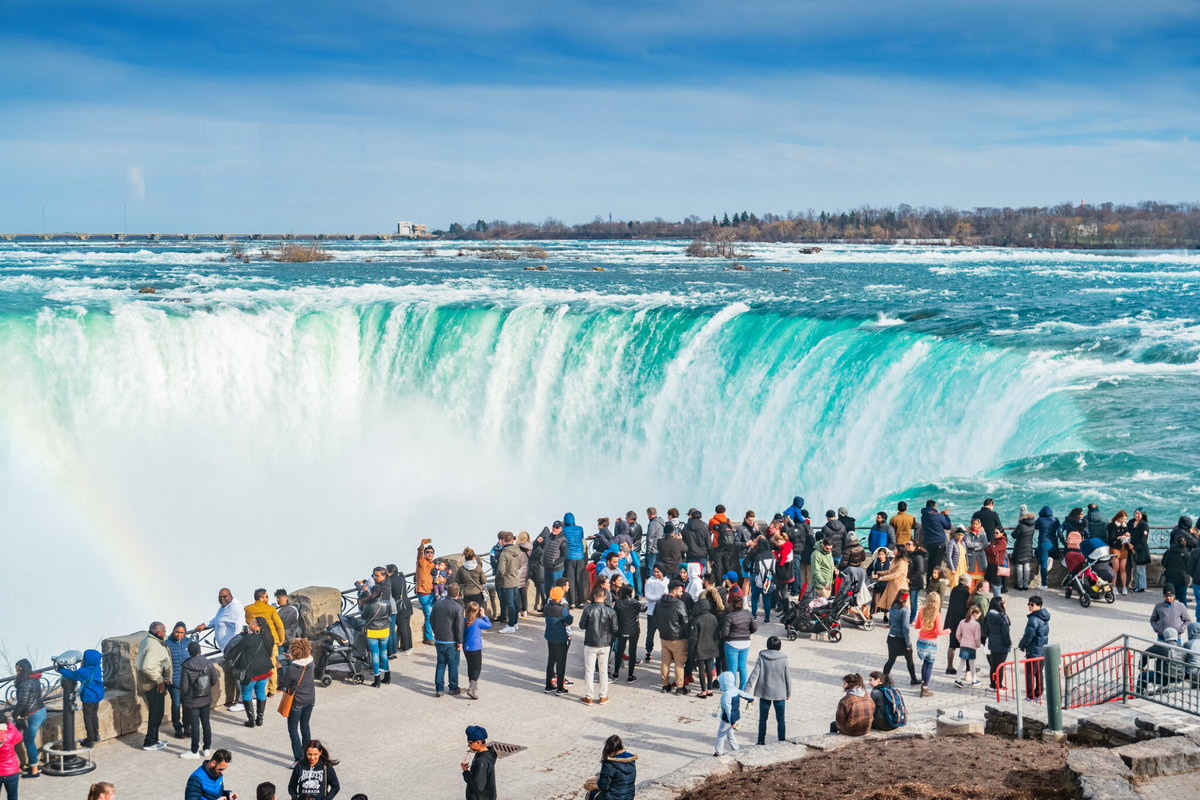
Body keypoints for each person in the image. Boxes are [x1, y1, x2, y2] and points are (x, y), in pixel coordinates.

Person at [225, 617, 275, 727]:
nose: (249, 624)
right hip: (265, 671)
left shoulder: (249, 638)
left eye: (252, 623)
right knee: (261, 693)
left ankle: (251, 720)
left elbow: (235, 650)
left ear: (258, 626)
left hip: (250, 673)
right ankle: (260, 719)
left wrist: (241, 635)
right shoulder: (269, 637)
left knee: (246, 694)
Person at [179, 641, 220, 759]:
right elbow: (214, 679)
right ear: (200, 651)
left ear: (189, 652)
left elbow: (184, 687)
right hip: (206, 697)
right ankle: (207, 748)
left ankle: (194, 750)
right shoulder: (208, 663)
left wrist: (186, 696)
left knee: (195, 725)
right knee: (206, 723)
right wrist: (206, 688)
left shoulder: (186, 666)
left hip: (192, 700)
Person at [278, 638, 316, 764]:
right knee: (305, 725)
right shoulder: (311, 661)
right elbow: (302, 662)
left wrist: (280, 667)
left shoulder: (293, 669)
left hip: (297, 702)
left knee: (293, 729)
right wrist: (293, 659)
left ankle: (298, 758)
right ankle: (308, 753)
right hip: (310, 699)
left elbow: (283, 682)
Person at [579, 586, 618, 705]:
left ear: (594, 596)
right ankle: (603, 696)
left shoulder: (588, 609)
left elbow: (582, 625)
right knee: (603, 670)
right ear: (605, 596)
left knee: (589, 671)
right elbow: (615, 628)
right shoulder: (611, 611)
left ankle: (589, 696)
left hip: (591, 642)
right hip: (605, 643)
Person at [747, 636, 790, 745]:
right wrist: (789, 693)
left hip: (764, 692)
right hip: (779, 693)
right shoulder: (784, 659)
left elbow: (754, 673)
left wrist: (746, 689)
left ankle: (761, 740)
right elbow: (787, 677)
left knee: (762, 719)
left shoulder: (762, 656)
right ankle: (781, 741)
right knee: (780, 719)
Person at [57, 649, 104, 748]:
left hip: (89, 697)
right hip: (97, 694)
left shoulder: (84, 671)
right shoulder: (96, 667)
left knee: (88, 717)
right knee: (94, 715)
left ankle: (90, 739)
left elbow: (73, 675)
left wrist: (60, 669)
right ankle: (96, 735)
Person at [243, 589, 286, 697]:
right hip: (272, 641)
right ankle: (271, 690)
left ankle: (263, 690)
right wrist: (281, 639)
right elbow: (279, 625)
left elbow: (249, 623)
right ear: (261, 598)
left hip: (257, 640)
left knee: (260, 666)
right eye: (266, 596)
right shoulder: (270, 609)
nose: (268, 598)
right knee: (272, 665)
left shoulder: (248, 609)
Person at [136, 622, 171, 751]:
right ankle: (150, 741)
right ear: (159, 632)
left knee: (156, 712)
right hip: (153, 684)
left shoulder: (147, 640)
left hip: (148, 682)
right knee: (156, 713)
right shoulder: (154, 646)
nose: (165, 633)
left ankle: (154, 739)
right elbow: (147, 666)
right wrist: (160, 680)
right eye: (164, 631)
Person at [356, 568, 392, 688]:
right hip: (385, 630)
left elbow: (363, 616)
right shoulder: (387, 603)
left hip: (372, 631)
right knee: (384, 653)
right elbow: (389, 614)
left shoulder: (369, 605)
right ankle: (387, 676)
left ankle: (377, 680)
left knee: (375, 654)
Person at [10, 660, 44, 779]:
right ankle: (35, 764)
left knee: (28, 742)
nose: (17, 672)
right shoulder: (34, 679)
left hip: (34, 714)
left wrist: (14, 714)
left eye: (18, 669)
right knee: (30, 741)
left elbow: (22, 702)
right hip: (40, 711)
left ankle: (34, 770)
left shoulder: (25, 683)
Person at [655, 580, 690, 693]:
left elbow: (655, 618)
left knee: (665, 661)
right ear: (674, 590)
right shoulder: (680, 604)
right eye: (680, 591)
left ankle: (665, 685)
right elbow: (685, 622)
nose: (681, 593)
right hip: (678, 638)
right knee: (679, 662)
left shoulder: (659, 602)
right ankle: (679, 687)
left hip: (664, 637)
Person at [431, 583, 465, 697]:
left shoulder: (438, 604)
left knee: (440, 664)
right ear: (458, 593)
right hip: (452, 641)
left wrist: (435, 631)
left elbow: (431, 619)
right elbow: (459, 626)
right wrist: (460, 642)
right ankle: (453, 687)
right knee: (453, 665)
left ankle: (439, 689)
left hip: (439, 639)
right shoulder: (458, 608)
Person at [689, 588, 722, 698]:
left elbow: (693, 638)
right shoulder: (713, 617)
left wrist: (691, 650)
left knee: (701, 670)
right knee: (709, 668)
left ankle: (703, 691)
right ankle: (710, 689)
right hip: (711, 647)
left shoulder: (697, 620)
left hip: (700, 648)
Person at [914, 593, 948, 697]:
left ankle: (922, 684)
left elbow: (916, 626)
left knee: (924, 664)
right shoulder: (937, 614)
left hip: (921, 642)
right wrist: (948, 631)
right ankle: (925, 688)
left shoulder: (921, 611)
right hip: (931, 643)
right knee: (929, 665)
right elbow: (939, 632)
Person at [584, 734, 637, 800]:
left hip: (612, 797)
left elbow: (603, 786)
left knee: (590, 794)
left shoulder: (609, 764)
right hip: (629, 797)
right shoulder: (630, 761)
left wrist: (598, 779)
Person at [882, 592, 918, 685]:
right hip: (901, 639)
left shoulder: (892, 607)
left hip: (891, 637)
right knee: (909, 660)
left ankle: (884, 679)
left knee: (891, 660)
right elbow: (905, 628)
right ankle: (913, 679)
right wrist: (908, 643)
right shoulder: (905, 610)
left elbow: (890, 623)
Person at [1018, 596, 1050, 700]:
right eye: (1028, 604)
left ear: (1039, 605)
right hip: (1042, 650)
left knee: (1030, 674)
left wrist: (1022, 645)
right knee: (1039, 673)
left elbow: (1028, 636)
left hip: (1033, 651)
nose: (1029, 606)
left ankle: (1030, 695)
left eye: (1032, 604)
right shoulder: (1044, 617)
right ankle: (1039, 693)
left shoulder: (1033, 619)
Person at [543, 586, 574, 694]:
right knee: (561, 663)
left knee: (551, 660)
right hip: (560, 638)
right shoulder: (562, 610)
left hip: (550, 637)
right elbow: (570, 620)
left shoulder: (546, 607)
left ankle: (548, 685)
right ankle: (560, 688)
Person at [612, 584, 644, 682]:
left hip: (621, 630)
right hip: (634, 630)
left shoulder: (618, 603)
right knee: (632, 651)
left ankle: (616, 673)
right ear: (630, 593)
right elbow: (643, 609)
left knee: (620, 651)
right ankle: (630, 675)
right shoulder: (635, 603)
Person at [166, 622, 192, 740]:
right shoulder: (167, 644)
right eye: (177, 632)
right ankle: (177, 728)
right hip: (174, 681)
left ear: (185, 633)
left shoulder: (189, 642)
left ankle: (187, 726)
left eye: (182, 632)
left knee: (187, 705)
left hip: (187, 680)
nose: (179, 634)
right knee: (176, 705)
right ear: (173, 631)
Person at [463, 601, 492, 700]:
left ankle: (472, 686)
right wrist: (484, 615)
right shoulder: (478, 621)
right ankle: (472, 688)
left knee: (470, 667)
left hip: (466, 648)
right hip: (475, 647)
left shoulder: (464, 620)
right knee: (477, 668)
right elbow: (489, 625)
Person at [493, 532, 522, 632]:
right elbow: (520, 564)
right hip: (515, 579)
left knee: (510, 604)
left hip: (506, 581)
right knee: (515, 602)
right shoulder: (518, 550)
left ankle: (511, 625)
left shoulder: (504, 553)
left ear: (504, 541)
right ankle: (515, 623)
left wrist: (499, 579)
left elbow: (501, 570)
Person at [982, 597, 1012, 690]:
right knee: (1000, 665)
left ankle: (992, 684)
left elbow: (985, 630)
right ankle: (999, 685)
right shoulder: (1003, 617)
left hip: (992, 643)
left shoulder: (989, 615)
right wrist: (1009, 643)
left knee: (994, 665)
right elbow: (1005, 632)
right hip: (1002, 644)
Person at [943, 575, 970, 676]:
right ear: (967, 583)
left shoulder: (954, 589)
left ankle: (949, 667)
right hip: (961, 620)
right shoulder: (966, 592)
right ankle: (968, 668)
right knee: (966, 645)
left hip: (952, 620)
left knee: (952, 645)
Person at [384, 567, 413, 657]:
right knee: (407, 627)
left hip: (400, 606)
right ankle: (408, 646)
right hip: (407, 603)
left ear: (390, 572)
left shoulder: (390, 581)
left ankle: (406, 648)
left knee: (403, 628)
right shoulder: (401, 577)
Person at [461, 726, 497, 800]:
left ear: (478, 742)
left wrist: (465, 771)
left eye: (470, 743)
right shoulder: (489, 753)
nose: (469, 746)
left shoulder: (482, 761)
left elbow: (478, 785)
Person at [919, 500, 952, 581]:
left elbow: (932, 518)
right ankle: (934, 584)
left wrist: (940, 515)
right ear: (934, 506)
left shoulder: (923, 516)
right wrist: (946, 515)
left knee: (930, 564)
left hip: (928, 543)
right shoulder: (937, 515)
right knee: (937, 565)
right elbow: (948, 526)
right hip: (938, 543)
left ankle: (928, 583)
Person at [563, 513, 590, 607]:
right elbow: (582, 538)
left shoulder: (564, 529)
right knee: (579, 579)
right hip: (580, 557)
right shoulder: (580, 529)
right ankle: (581, 601)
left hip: (569, 557)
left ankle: (572, 602)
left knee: (570, 580)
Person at [875, 547, 910, 620]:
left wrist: (882, 578)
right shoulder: (894, 560)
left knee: (901, 603)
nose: (893, 550)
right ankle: (892, 621)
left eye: (895, 549)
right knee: (892, 604)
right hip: (892, 585)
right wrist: (881, 573)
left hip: (900, 586)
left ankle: (899, 621)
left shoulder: (903, 562)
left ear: (899, 552)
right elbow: (890, 571)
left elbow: (896, 574)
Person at [954, 605, 983, 687]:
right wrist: (978, 644)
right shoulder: (976, 624)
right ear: (975, 614)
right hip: (972, 645)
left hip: (963, 644)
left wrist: (961, 641)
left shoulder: (962, 622)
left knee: (961, 662)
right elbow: (977, 637)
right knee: (972, 664)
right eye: (978, 614)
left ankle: (958, 679)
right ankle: (974, 680)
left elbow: (957, 634)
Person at [538, 521, 568, 599]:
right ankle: (548, 606)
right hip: (547, 567)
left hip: (556, 569)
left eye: (557, 528)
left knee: (557, 588)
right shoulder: (548, 537)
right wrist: (540, 542)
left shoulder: (563, 540)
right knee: (547, 589)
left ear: (561, 529)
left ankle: (558, 605)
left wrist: (556, 563)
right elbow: (545, 547)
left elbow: (565, 555)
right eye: (553, 527)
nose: (554, 529)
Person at [416, 540, 437, 644]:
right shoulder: (422, 562)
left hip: (433, 592)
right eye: (427, 552)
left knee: (436, 613)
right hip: (424, 593)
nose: (429, 554)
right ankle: (428, 638)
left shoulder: (434, 565)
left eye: (431, 552)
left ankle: (436, 633)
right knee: (429, 615)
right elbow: (419, 555)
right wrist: (422, 547)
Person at [1106, 511, 1133, 596]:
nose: (1123, 521)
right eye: (1122, 519)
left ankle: (1124, 587)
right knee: (1115, 568)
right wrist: (1119, 537)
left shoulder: (1125, 525)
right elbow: (1110, 538)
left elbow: (1127, 534)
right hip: (1115, 548)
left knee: (1123, 568)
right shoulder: (1112, 525)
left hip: (1123, 548)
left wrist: (1127, 535)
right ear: (1118, 518)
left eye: (1125, 519)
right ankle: (1114, 587)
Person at [1010, 509, 1037, 591]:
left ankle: (1020, 585)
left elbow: (1014, 535)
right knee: (1026, 566)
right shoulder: (1033, 524)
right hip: (1029, 547)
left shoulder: (1021, 525)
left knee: (1019, 566)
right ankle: (1026, 585)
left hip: (1020, 547)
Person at [1163, 539, 1192, 608]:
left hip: (1170, 577)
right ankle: (1183, 614)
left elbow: (1163, 563)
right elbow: (1190, 566)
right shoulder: (1186, 553)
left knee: (1170, 597)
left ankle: (1169, 612)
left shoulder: (1169, 551)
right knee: (1182, 597)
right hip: (1182, 578)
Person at [0, 715, 22, 798]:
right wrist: (9, 723)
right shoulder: (10, 734)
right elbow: (19, 737)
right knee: (12, 796)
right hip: (11, 771)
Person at [1130, 509, 1151, 593]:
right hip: (1132, 549)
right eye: (1135, 513)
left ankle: (1142, 586)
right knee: (1134, 569)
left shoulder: (1144, 525)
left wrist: (1135, 548)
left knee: (1141, 569)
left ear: (1142, 515)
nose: (1136, 515)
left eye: (1138, 514)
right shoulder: (1131, 523)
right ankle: (1136, 585)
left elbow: (1143, 540)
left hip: (1141, 550)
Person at [517, 531, 537, 616]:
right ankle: (524, 610)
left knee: (517, 592)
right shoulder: (530, 546)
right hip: (526, 569)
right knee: (523, 591)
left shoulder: (517, 547)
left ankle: (518, 610)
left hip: (519, 570)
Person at [644, 507, 665, 581]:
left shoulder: (653, 523)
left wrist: (648, 550)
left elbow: (650, 537)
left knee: (650, 570)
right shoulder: (661, 522)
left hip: (653, 550)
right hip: (659, 549)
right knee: (658, 570)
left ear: (649, 514)